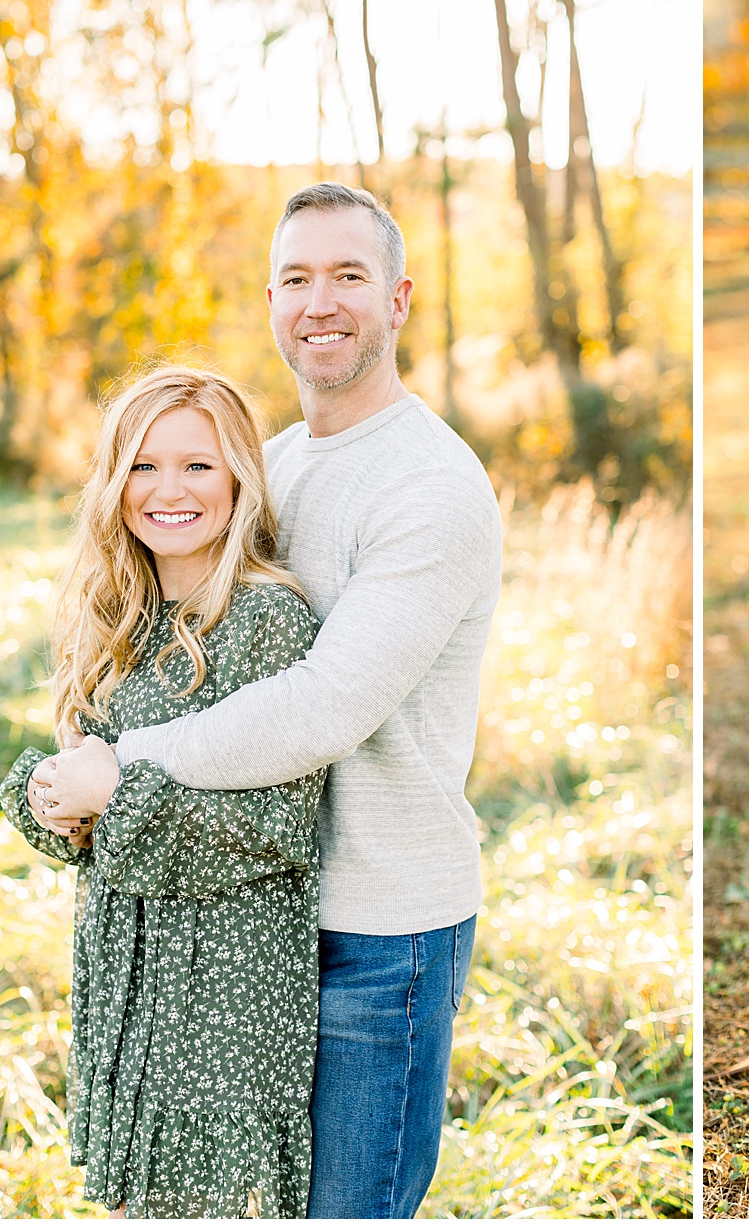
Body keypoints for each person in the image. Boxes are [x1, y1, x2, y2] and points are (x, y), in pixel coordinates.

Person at [29, 182, 505, 1218]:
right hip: (246, 923)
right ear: (273, 301)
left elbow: (324, 706)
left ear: (399, 299)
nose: (320, 302)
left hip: (380, 930)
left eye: (348, 275)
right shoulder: (268, 468)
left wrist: (123, 768)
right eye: (296, 278)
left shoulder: (431, 486)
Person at [0, 366, 326, 1218]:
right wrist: (52, 799)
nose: (168, 490)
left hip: (224, 985)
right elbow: (82, 781)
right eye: (144, 466)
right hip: (124, 970)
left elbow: (279, 827)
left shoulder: (269, 620)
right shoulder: (115, 616)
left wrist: (114, 798)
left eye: (197, 466)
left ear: (239, 480)